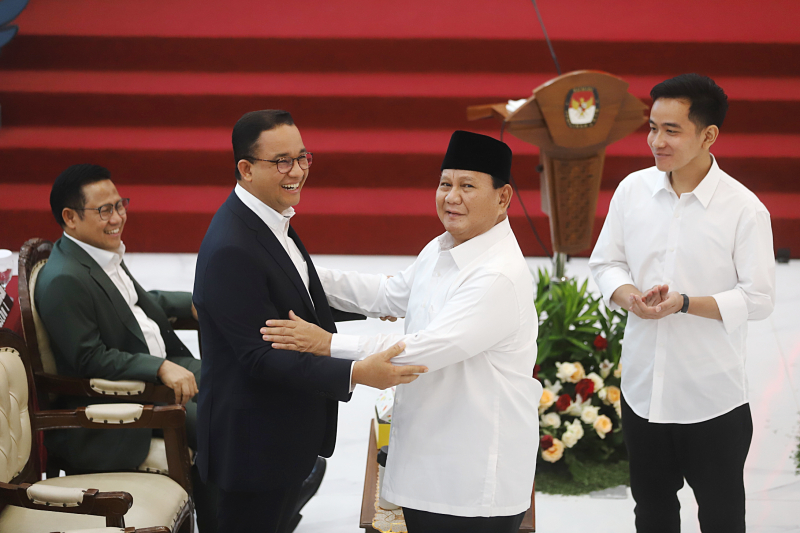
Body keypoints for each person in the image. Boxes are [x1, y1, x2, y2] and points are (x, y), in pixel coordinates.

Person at [261, 130, 542, 533]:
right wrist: (297, 273)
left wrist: (327, 344)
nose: (451, 197)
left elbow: (421, 351)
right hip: (425, 465)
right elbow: (388, 293)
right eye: (445, 184)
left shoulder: (498, 275)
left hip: (473, 482)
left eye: (467, 186)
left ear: (503, 198)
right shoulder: (443, 246)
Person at [192, 110, 427, 533]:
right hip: (252, 447)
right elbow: (259, 357)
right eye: (281, 161)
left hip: (281, 437)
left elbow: (293, 300)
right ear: (245, 169)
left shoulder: (267, 217)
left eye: (303, 157)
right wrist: (356, 371)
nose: (297, 171)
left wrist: (372, 304)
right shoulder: (233, 246)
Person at [588, 74, 775, 532]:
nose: (656, 141)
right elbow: (605, 263)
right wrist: (628, 295)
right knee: (651, 511)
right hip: (642, 387)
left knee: (721, 516)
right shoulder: (632, 191)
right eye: (652, 127)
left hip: (711, 397)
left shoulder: (744, 209)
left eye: (671, 130)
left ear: (708, 135)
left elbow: (759, 298)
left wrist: (685, 303)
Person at [35, 164, 219, 531]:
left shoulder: (98, 254)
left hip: (163, 372)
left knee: (242, 384)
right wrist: (160, 368)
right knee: (222, 423)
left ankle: (274, 488)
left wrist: (200, 301)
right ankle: (231, 517)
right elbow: (90, 358)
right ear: (70, 217)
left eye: (121, 205)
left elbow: (137, 301)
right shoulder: (63, 280)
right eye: (105, 210)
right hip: (120, 403)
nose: (118, 217)